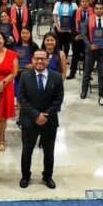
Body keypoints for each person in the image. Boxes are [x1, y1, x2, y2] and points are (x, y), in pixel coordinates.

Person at [17, 49, 64, 189]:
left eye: (43, 59)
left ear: (47, 61)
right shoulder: (25, 76)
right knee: (27, 151)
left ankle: (47, 176)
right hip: (29, 120)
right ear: (32, 60)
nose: (39, 61)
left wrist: (45, 115)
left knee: (49, 151)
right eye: (36, 58)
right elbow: (22, 98)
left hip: (49, 121)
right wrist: (36, 115)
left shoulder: (56, 77)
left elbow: (58, 99)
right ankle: (25, 176)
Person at [81, 3, 103, 100]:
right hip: (91, 49)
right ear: (94, 10)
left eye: (101, 8)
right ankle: (84, 90)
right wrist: (90, 45)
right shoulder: (88, 19)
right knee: (87, 71)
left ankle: (102, 91)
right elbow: (84, 35)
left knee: (102, 71)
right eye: (97, 8)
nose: (99, 10)